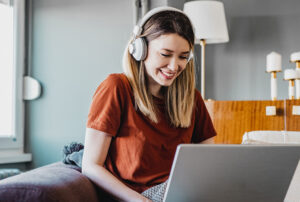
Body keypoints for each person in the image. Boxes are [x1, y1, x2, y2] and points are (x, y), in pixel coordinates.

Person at [82, 6, 216, 202]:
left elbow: (209, 163)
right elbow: (91, 166)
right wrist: (139, 200)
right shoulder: (116, 88)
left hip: (181, 194)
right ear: (140, 49)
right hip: (137, 197)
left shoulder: (191, 99)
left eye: (183, 57)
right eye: (165, 54)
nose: (174, 66)